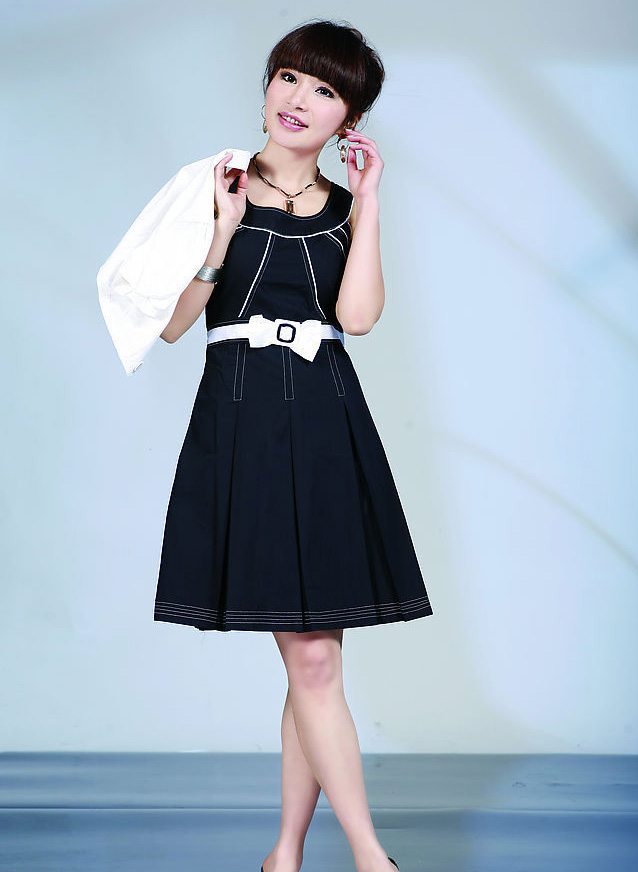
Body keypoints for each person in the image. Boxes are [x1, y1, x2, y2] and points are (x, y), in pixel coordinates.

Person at [152, 19, 433, 872]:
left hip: (324, 418)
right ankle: (371, 856)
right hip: (240, 417)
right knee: (311, 659)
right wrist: (221, 231)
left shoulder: (345, 208)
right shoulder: (213, 184)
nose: (298, 99)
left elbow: (357, 318)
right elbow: (170, 325)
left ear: (349, 118)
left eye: (324, 90)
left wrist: (371, 201)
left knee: (312, 660)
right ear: (268, 83)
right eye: (288, 77)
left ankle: (283, 855)